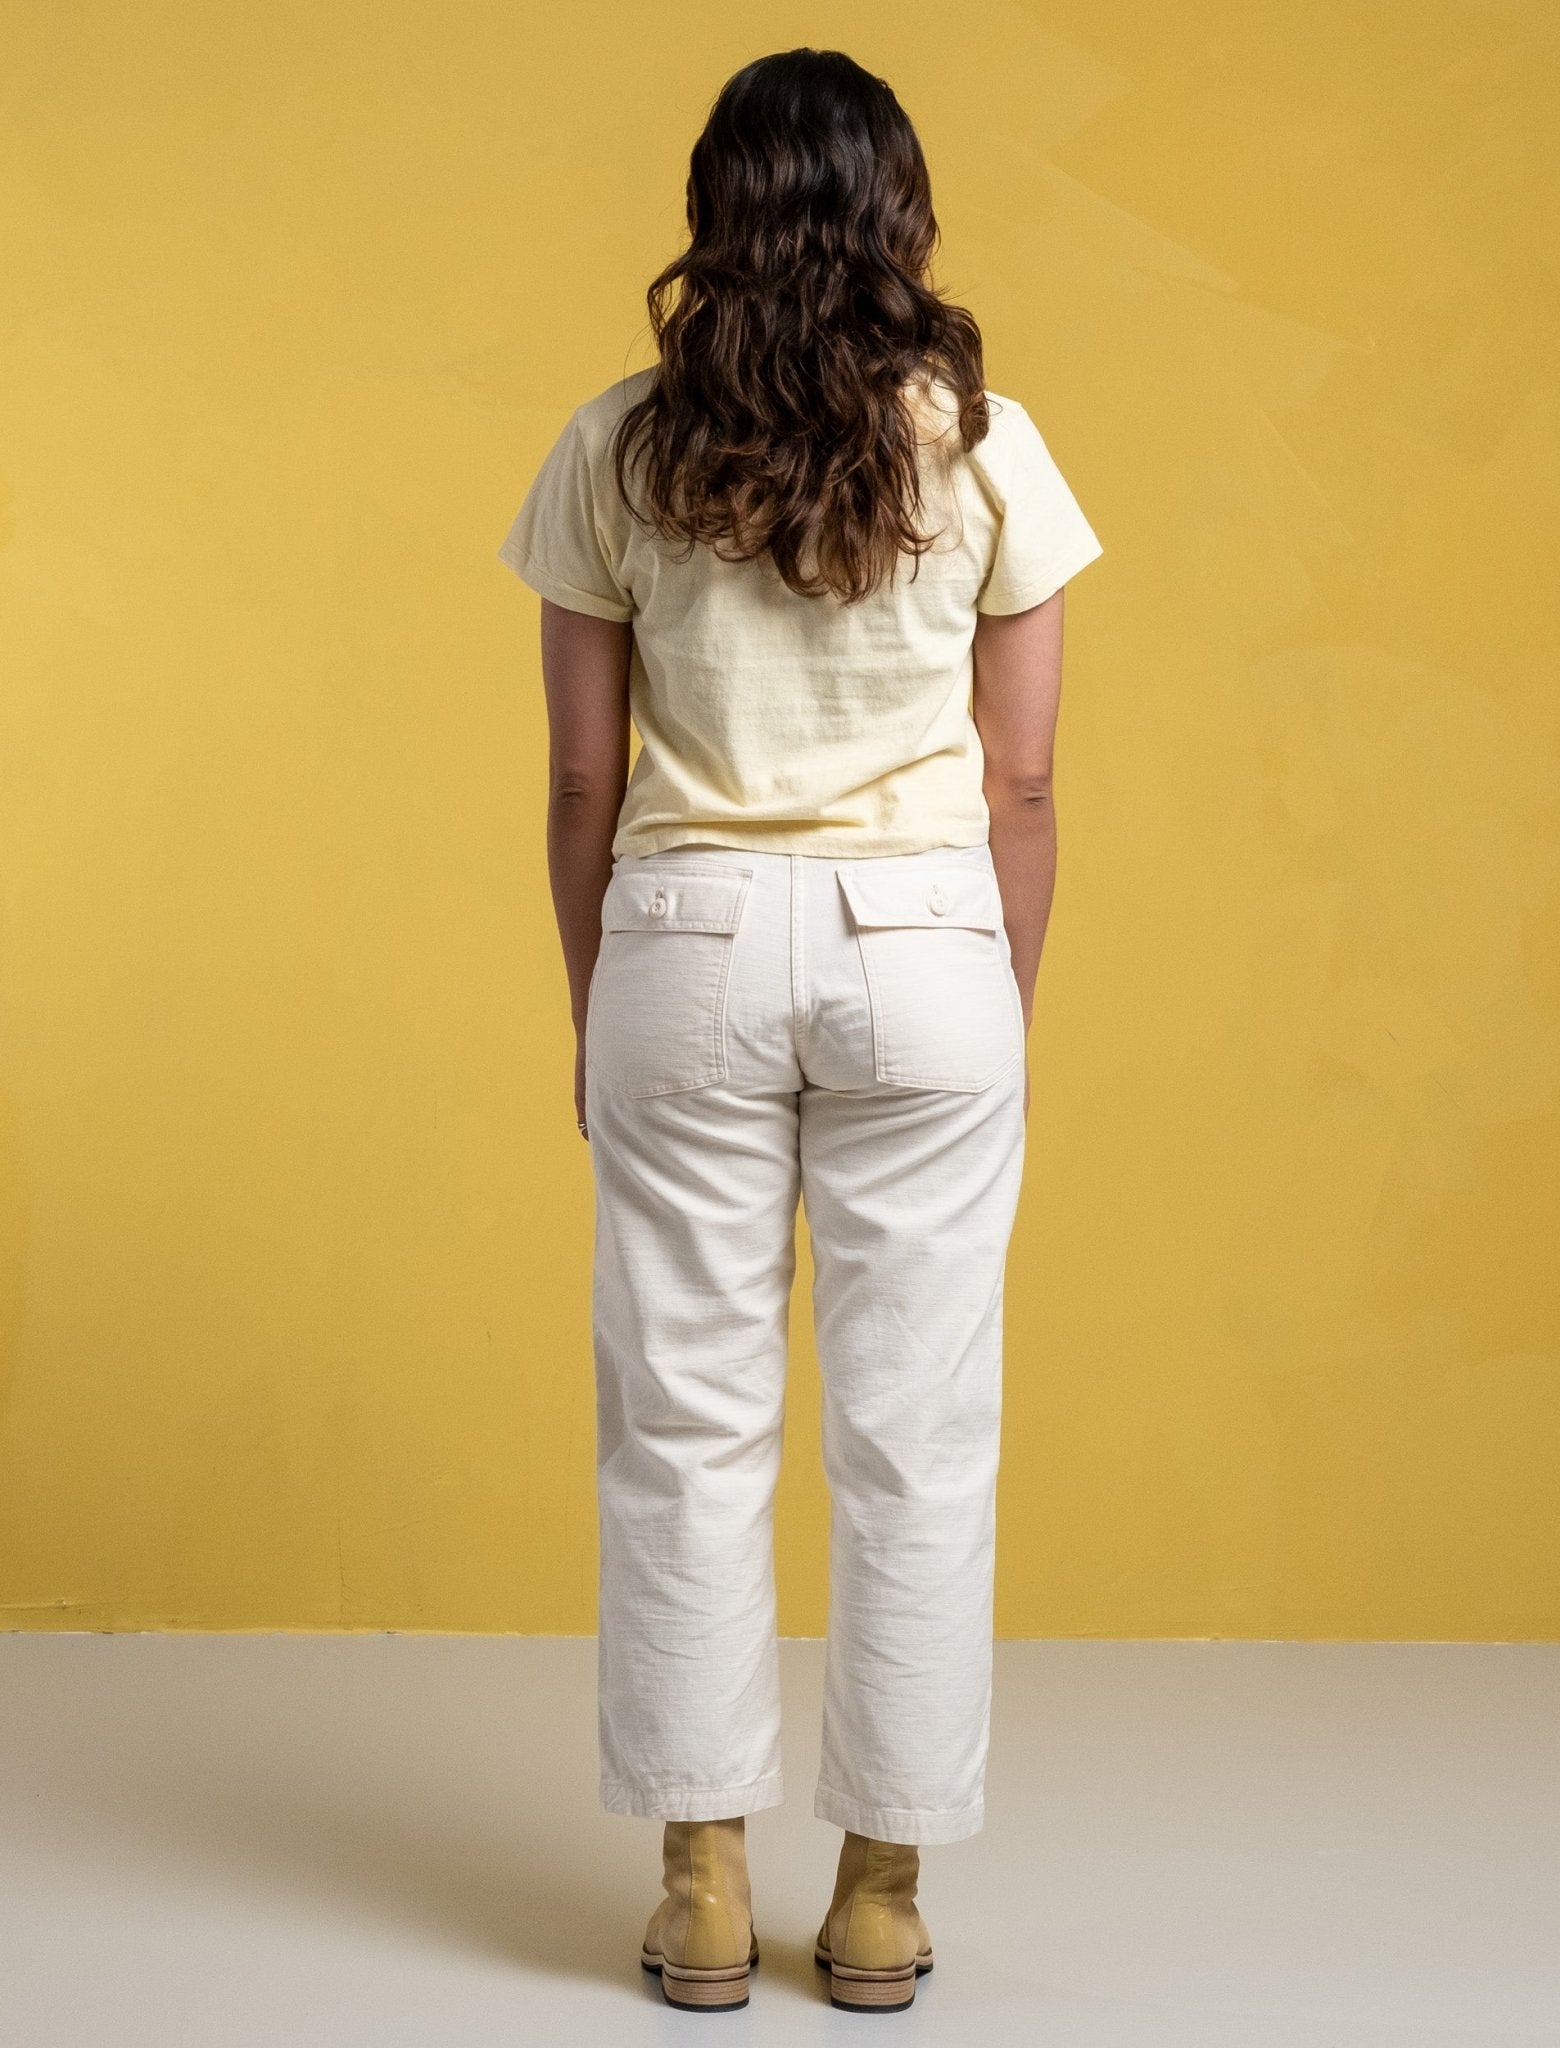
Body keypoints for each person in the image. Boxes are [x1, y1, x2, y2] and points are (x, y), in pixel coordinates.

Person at [497, 46, 1103, 2014]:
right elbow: (1024, 785)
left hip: (677, 935)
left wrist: (599, 1010)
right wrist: (994, 1008)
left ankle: (697, 1887)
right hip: (926, 940)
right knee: (918, 1435)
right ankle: (879, 1898)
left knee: (682, 1420)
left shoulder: (619, 444)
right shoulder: (985, 446)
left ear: (715, 216)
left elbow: (580, 783)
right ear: (899, 216)